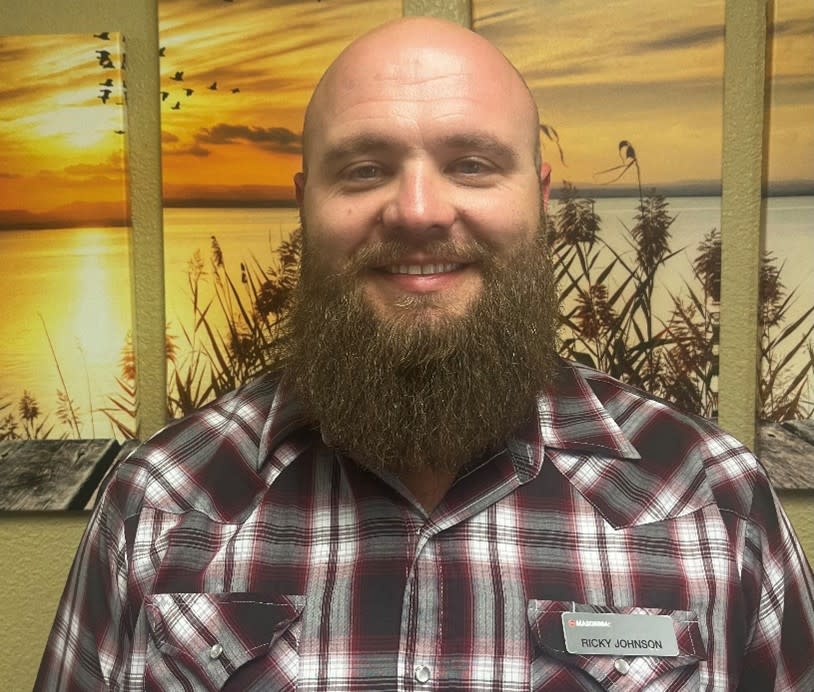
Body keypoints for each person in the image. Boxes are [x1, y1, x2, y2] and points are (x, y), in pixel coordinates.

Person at [36, 16, 813, 691]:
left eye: (471, 164)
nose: (417, 212)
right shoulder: (159, 503)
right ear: (305, 205)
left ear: (541, 200)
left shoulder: (713, 501)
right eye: (364, 169)